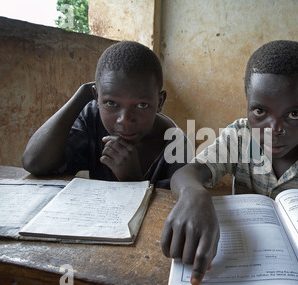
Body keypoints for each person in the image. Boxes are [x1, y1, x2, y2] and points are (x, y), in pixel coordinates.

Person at [161, 40, 298, 285]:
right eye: (259, 112)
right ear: (247, 105)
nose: (274, 129)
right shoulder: (239, 138)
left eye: (294, 114)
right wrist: (195, 195)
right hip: (247, 263)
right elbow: (187, 173)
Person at [22, 41, 188, 188]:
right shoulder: (92, 118)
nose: (124, 120)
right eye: (111, 103)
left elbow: (169, 213)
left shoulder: (175, 145)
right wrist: (81, 95)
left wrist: (133, 180)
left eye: (141, 105)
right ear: (96, 97)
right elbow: (34, 162)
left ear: (159, 102)